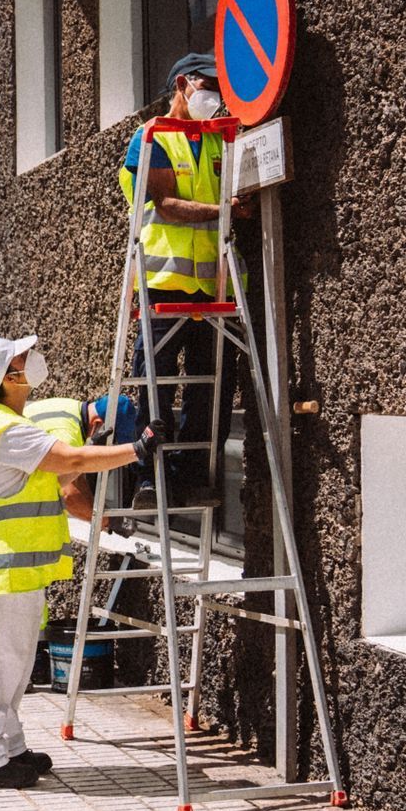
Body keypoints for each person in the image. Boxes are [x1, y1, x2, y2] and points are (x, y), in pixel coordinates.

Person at [0, 335, 155, 788]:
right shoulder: (6, 429)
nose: (34, 362)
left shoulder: (2, 420)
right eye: (24, 359)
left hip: (13, 568)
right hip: (5, 567)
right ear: (9, 378)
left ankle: (8, 748)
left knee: (14, 664)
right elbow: (72, 457)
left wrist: (101, 445)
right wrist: (136, 449)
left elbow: (64, 472)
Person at [119, 52, 250, 507]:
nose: (213, 95)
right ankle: (150, 478)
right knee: (155, 385)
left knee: (210, 389)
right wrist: (226, 210)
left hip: (216, 287)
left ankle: (194, 476)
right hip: (164, 283)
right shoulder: (152, 135)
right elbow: (166, 204)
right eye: (206, 85)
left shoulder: (219, 139)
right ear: (182, 85)